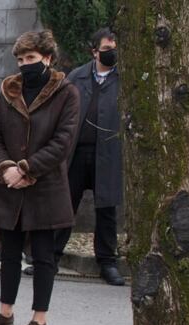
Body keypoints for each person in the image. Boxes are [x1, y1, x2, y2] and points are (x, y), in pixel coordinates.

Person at [0, 30, 80, 325]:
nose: (25, 65)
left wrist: (26, 169)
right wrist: (6, 167)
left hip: (45, 187)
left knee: (44, 256)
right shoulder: (9, 90)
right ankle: (4, 313)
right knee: (8, 252)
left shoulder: (67, 93)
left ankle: (39, 318)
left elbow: (63, 142)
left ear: (47, 58)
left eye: (31, 58)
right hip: (8, 186)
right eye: (20, 59)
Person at [59, 28, 124, 286]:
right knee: (65, 205)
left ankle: (107, 262)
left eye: (115, 49)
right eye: (107, 49)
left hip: (108, 153)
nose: (112, 53)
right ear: (94, 51)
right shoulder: (77, 76)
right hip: (77, 152)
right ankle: (51, 257)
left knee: (106, 209)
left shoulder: (125, 77)